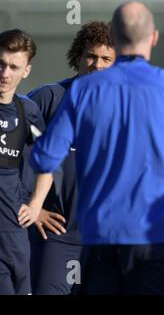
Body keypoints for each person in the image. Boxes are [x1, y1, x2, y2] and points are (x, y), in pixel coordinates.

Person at [28, 1, 164, 294]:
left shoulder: (83, 91)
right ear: (154, 37)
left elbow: (44, 158)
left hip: (102, 241)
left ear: (115, 40)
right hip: (161, 241)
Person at [21, 21, 115, 295]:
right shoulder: (47, 99)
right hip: (55, 237)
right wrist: (30, 205)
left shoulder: (126, 108)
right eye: (91, 56)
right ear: (77, 57)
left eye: (107, 59)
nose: (97, 65)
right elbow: (9, 158)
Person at [0, 29, 49, 294]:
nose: (5, 73)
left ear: (26, 71)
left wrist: (36, 205)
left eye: (13, 67)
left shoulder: (28, 112)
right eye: (1, 64)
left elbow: (48, 162)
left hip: (16, 236)